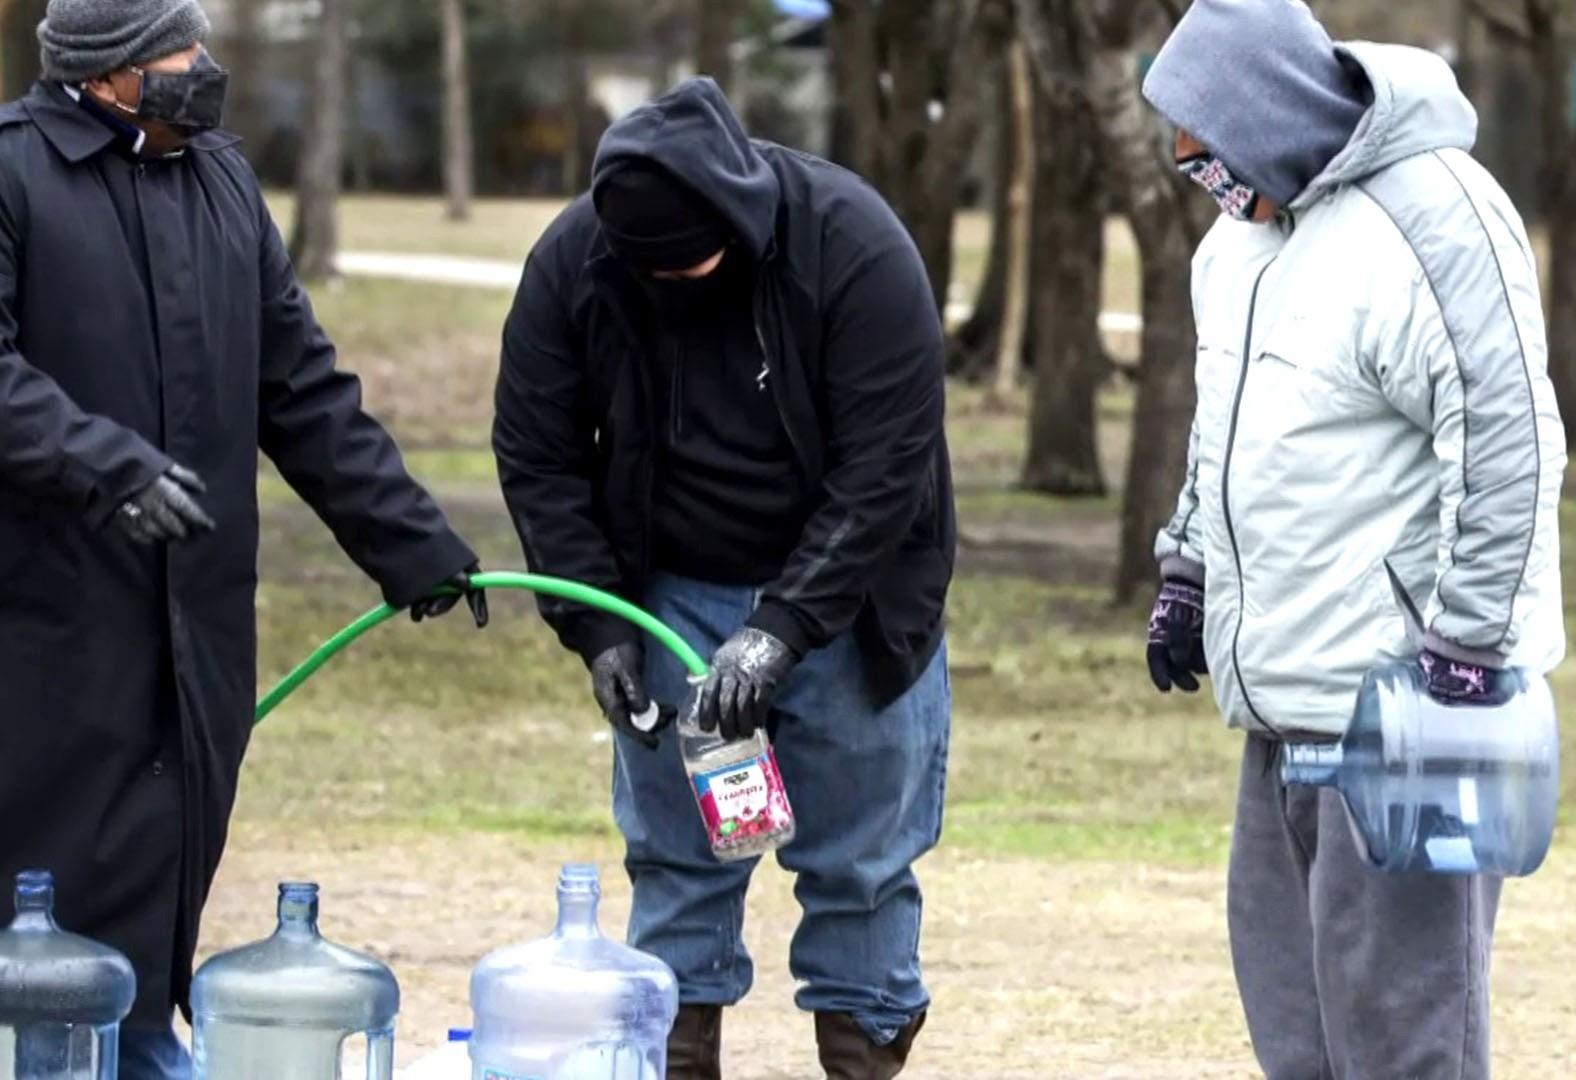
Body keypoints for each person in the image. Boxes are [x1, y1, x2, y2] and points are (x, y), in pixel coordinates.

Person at [0, 1, 487, 1075]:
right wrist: (105, 466)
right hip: (48, 626)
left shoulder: (220, 179)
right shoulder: (14, 174)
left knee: (167, 859)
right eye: (179, 53)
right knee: (49, 879)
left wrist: (410, 541)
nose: (202, 68)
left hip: (201, 625)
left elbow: (300, 384)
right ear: (107, 73)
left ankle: (132, 1039)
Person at [493, 77, 954, 1079]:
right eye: (647, 268)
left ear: (739, 218)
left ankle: (862, 1049)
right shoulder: (576, 260)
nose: (671, 282)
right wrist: (596, 626)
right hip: (672, 601)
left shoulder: (854, 247)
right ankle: (679, 1051)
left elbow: (888, 472)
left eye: (691, 263)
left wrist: (785, 627)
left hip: (854, 602)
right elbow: (538, 455)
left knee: (861, 867)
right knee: (680, 861)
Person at [1137, 2, 1567, 1077]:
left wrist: (1466, 649)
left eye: (1215, 160)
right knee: (1296, 1033)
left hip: (1412, 711)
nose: (1211, 188)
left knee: (1404, 1040)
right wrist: (1186, 568)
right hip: (1281, 706)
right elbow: (1220, 427)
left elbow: (1509, 440)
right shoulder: (1240, 247)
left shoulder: (1438, 216)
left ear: (1267, 114)